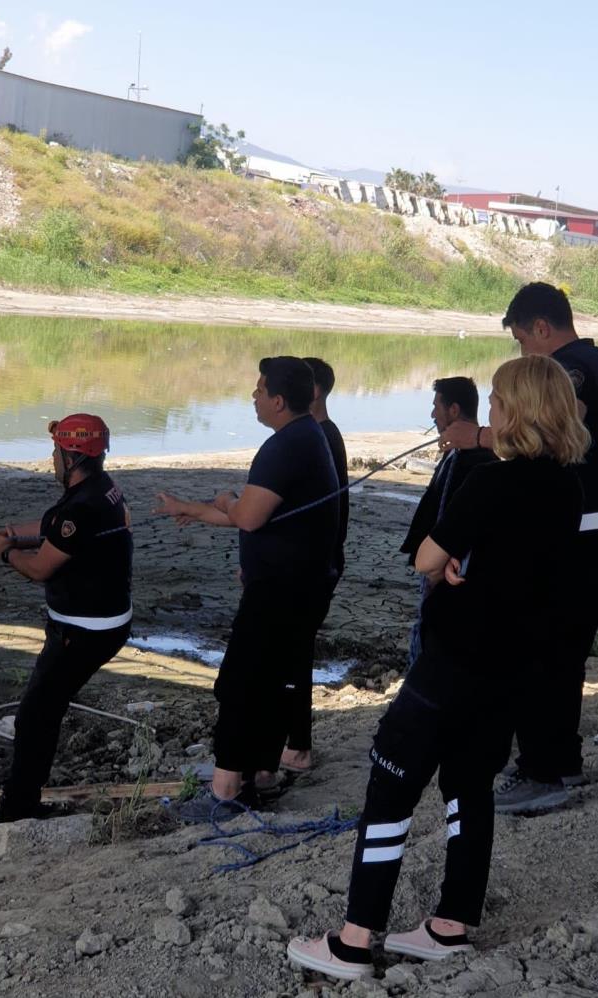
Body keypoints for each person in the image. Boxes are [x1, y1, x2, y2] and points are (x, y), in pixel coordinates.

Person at [287, 355, 589, 981]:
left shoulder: (490, 481)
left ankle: (352, 940)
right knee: (468, 788)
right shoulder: (570, 486)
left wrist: (453, 562)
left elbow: (428, 556)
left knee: (390, 787)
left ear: (517, 411)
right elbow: (527, 564)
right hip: (512, 666)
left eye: (501, 400)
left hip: (453, 663)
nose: (494, 411)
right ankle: (451, 925)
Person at [154, 356, 338, 820]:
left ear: (278, 400)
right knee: (270, 681)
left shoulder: (284, 446)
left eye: (259, 390)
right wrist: (194, 508)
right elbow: (260, 516)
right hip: (296, 585)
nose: (253, 397)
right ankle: (260, 773)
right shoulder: (306, 435)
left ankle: (226, 789)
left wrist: (228, 501)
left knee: (240, 683)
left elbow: (249, 516)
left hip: (280, 589)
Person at [440, 283, 598, 813]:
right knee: (564, 650)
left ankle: (542, 769)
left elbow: (557, 426)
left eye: (521, 342)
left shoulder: (571, 368)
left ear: (542, 329)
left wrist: (480, 438)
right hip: (581, 524)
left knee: (543, 650)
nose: (523, 355)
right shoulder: (591, 358)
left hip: (577, 531)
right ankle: (560, 759)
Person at [0, 414, 133, 822]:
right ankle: (23, 797)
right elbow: (54, 529)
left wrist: (4, 552)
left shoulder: (83, 506)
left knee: (35, 716)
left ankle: (18, 809)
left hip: (85, 630)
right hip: (98, 622)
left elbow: (40, 568)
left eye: (54, 451)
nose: (51, 458)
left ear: (71, 456)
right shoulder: (99, 490)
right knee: (43, 710)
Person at [279, 356, 349, 775]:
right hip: (312, 564)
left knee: (294, 653)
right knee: (292, 652)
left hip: (312, 568)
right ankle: (292, 742)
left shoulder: (320, 437)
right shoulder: (319, 434)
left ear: (314, 393)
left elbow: (327, 514)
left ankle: (298, 747)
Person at [401, 378, 497, 664]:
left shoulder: (476, 462)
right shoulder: (456, 454)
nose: (433, 415)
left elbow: (461, 525)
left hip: (448, 572)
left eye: (436, 406)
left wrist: (437, 567)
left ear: (453, 410)